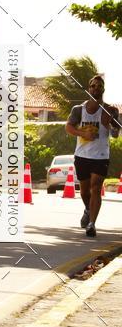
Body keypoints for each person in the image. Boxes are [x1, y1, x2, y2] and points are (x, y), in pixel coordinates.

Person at [65, 75, 120, 237]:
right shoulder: (78, 110)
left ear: (103, 89)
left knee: (96, 187)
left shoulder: (111, 110)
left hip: (101, 155)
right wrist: (83, 133)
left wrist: (110, 124)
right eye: (92, 86)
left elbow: (116, 134)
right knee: (84, 192)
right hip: (82, 155)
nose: (95, 89)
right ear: (89, 89)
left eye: (98, 86)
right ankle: (88, 209)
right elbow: (68, 127)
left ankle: (92, 224)